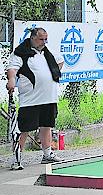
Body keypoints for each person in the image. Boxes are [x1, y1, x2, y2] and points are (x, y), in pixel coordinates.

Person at [6, 27, 64, 170]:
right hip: (31, 99)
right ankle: (16, 158)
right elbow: (12, 69)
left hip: (49, 97)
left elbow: (60, 61)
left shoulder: (47, 52)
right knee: (23, 128)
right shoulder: (21, 52)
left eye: (45, 39)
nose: (44, 42)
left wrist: (52, 73)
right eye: (41, 39)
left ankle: (47, 154)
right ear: (32, 38)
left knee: (46, 125)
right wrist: (12, 80)